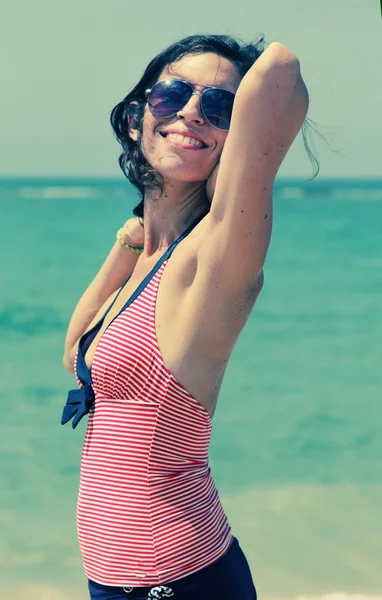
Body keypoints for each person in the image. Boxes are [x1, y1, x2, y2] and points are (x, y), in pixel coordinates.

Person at [62, 34, 310, 600]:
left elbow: (281, 67)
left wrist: (233, 137)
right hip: (119, 580)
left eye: (219, 106)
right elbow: (76, 349)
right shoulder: (146, 259)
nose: (193, 112)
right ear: (135, 119)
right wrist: (133, 236)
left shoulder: (215, 257)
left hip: (176, 581)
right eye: (172, 96)